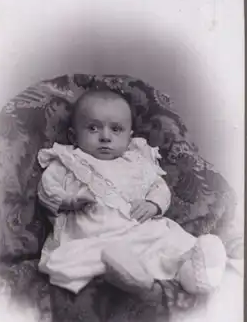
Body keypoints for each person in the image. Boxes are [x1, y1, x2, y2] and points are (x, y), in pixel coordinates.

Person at [37, 89, 226, 297]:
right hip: (95, 235)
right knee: (82, 256)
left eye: (116, 129)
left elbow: (159, 187)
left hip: (139, 229)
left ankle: (194, 273)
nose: (105, 137)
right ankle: (130, 274)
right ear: (74, 135)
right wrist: (68, 201)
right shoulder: (68, 161)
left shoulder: (136, 162)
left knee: (166, 240)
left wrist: (153, 204)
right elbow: (46, 189)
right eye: (93, 128)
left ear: (129, 137)